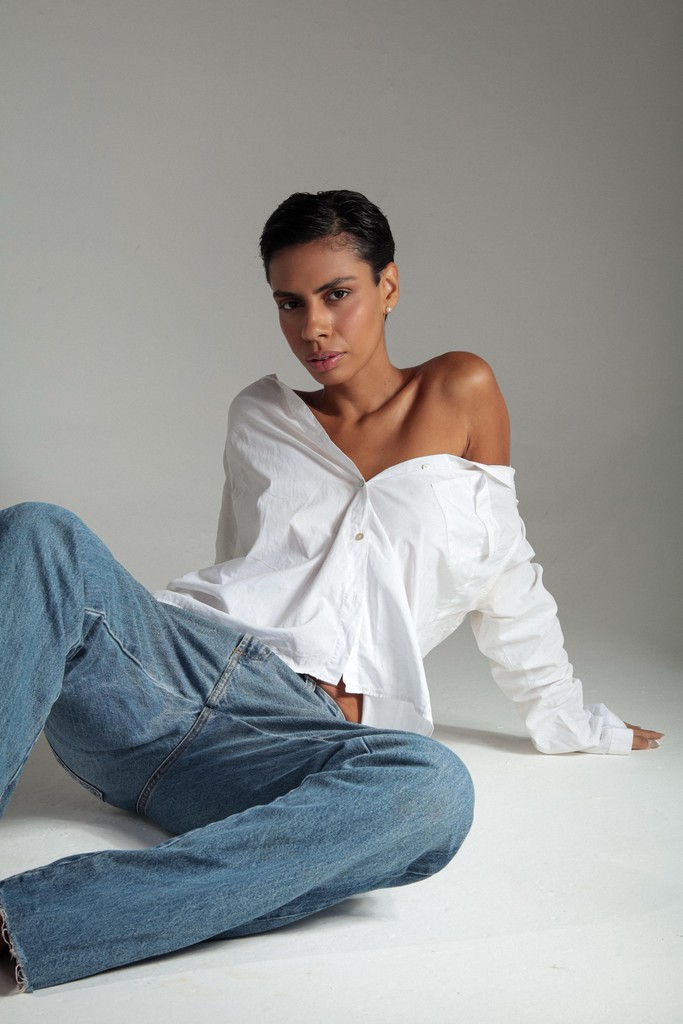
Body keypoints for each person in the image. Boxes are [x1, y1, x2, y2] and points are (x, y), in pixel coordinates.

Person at [0, 189, 661, 993]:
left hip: (286, 743)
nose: (312, 326)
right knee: (39, 531)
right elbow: (246, 562)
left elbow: (506, 568)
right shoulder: (258, 415)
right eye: (289, 302)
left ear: (388, 285)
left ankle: (20, 928)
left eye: (336, 294)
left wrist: (564, 716)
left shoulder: (460, 389)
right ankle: (220, 881)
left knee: (431, 789)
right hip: (163, 682)